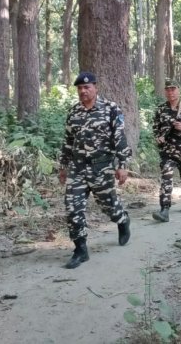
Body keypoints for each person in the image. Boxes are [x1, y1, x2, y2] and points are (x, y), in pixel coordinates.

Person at [58, 72, 132, 269]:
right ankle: (80, 250)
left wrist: (122, 165)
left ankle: (122, 220)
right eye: (80, 88)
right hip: (78, 168)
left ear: (95, 87)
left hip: (102, 167)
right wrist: (63, 166)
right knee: (73, 207)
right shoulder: (73, 112)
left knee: (109, 206)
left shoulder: (110, 109)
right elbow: (68, 142)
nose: (83, 91)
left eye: (87, 87)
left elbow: (119, 137)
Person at [151, 79, 181, 222]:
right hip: (167, 151)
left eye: (173, 89)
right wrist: (158, 137)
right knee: (166, 178)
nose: (170, 92)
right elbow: (155, 127)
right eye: (168, 89)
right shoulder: (160, 109)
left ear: (179, 90)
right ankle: (164, 209)